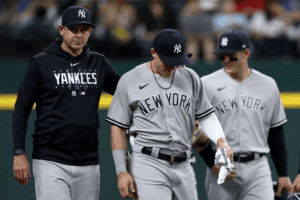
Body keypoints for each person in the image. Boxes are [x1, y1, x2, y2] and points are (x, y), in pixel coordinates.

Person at [105, 28, 234, 200]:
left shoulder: (190, 77)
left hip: (184, 163)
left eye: (176, 61)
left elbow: (206, 115)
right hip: (149, 161)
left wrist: (221, 140)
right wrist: (121, 171)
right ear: (153, 52)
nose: (172, 66)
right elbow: (118, 128)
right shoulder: (130, 80)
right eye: (167, 61)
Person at [12, 6, 120, 200]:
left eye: (84, 30)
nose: (79, 35)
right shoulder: (41, 63)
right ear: (62, 30)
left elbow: (125, 92)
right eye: (74, 29)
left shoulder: (99, 63)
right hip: (50, 160)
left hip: (88, 161)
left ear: (90, 31)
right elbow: (21, 107)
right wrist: (19, 152)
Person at [201, 29, 292, 200]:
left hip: (257, 167)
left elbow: (276, 131)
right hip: (221, 165)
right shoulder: (206, 84)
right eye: (222, 56)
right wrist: (211, 163)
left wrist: (283, 173)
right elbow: (196, 130)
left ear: (246, 54)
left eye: (231, 56)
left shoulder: (267, 84)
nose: (226, 60)